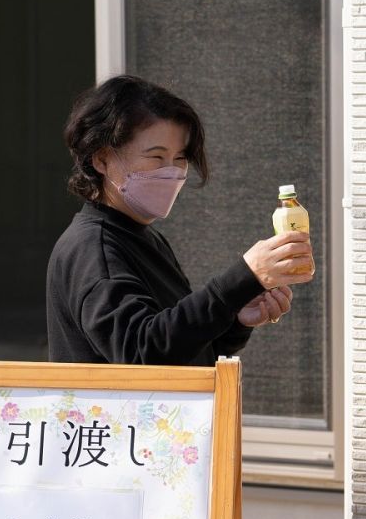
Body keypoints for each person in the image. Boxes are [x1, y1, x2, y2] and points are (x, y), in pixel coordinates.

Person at [47, 75, 313, 365]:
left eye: (180, 158)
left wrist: (236, 319)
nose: (171, 171)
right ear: (102, 160)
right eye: (156, 157)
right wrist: (240, 280)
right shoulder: (93, 249)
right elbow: (142, 353)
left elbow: (183, 351)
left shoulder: (144, 238)